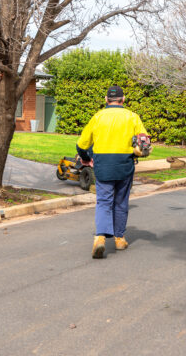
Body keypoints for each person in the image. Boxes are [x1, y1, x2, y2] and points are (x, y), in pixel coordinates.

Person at [76, 85, 148, 259]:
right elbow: (144, 143)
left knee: (103, 202)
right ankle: (119, 239)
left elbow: (82, 145)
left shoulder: (98, 117)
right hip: (124, 164)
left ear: (106, 99)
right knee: (121, 202)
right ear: (123, 100)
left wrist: (86, 157)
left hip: (103, 165)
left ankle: (100, 237)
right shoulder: (133, 117)